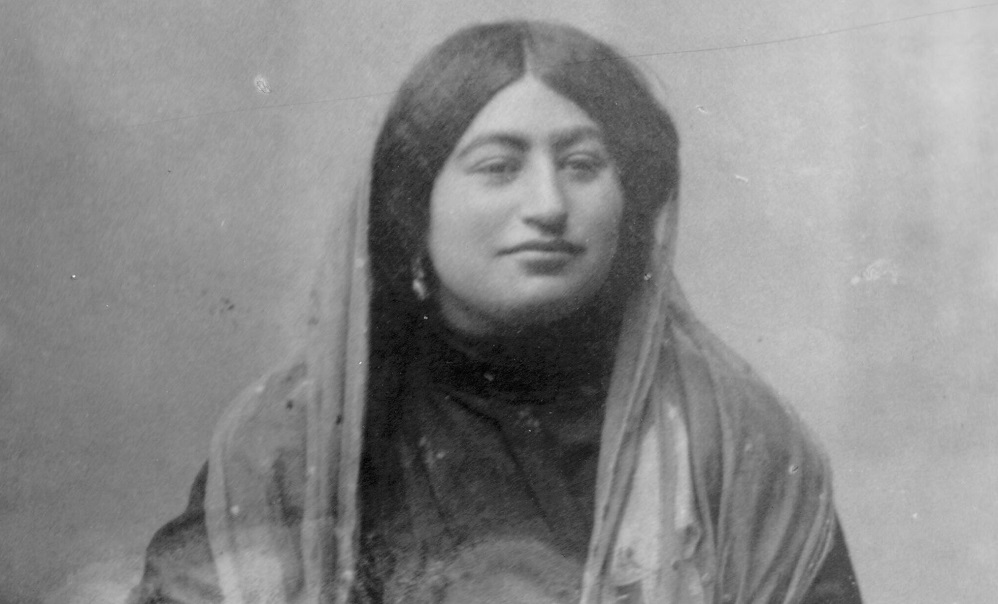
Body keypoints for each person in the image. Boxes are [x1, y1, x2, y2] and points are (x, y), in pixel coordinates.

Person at [132, 20, 862, 604]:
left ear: (631, 202)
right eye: (498, 167)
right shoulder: (301, 437)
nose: (547, 205)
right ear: (414, 205)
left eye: (582, 165)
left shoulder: (733, 440)